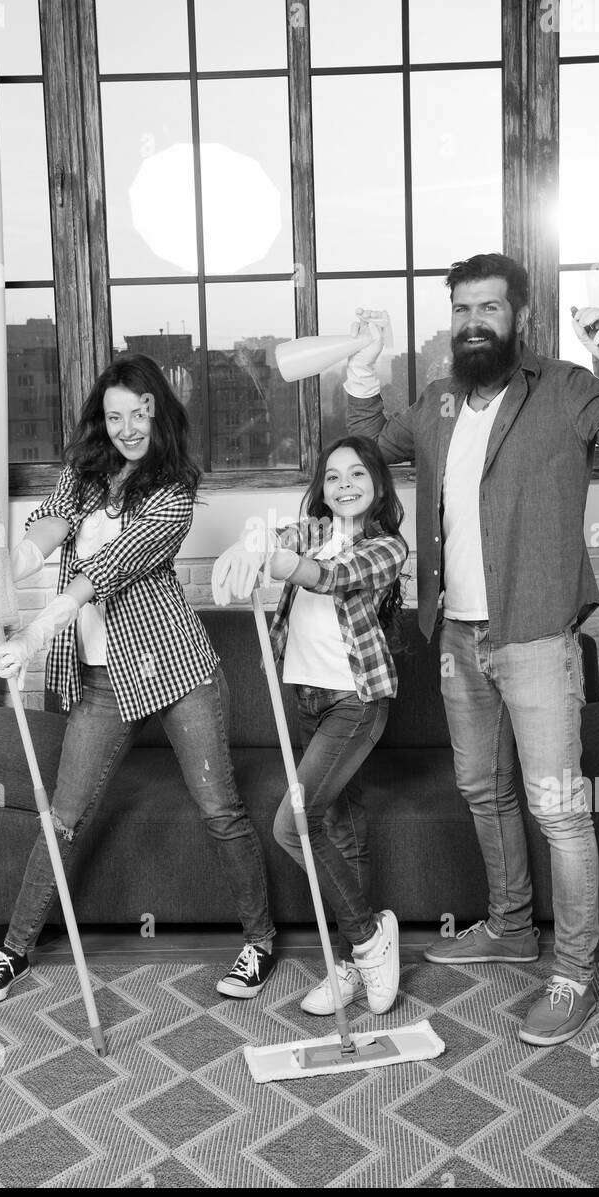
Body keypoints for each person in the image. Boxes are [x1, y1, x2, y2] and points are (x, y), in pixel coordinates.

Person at [344, 256, 599, 1046]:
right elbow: (360, 457)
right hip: (455, 635)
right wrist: (362, 378)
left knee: (559, 812)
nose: (472, 322)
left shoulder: (565, 390)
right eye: (461, 308)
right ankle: (506, 925)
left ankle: (571, 973)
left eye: (488, 308)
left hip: (534, 636)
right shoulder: (434, 403)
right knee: (479, 789)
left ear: (516, 318)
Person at [0, 354, 277, 1006]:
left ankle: (259, 942)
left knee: (220, 810)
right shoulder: (84, 475)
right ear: (100, 420)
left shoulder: (174, 487)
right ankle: (14, 949)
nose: (129, 427)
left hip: (176, 670)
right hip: (101, 684)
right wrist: (17, 558)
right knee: (64, 818)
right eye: (115, 415)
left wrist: (43, 625)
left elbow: (115, 562)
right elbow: (50, 521)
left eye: (140, 412)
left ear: (159, 412)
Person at [211, 436, 409, 1017]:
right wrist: (248, 549)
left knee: (293, 823)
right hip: (306, 699)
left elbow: (326, 576)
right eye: (331, 476)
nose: (343, 484)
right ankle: (350, 961)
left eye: (356, 474)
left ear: (377, 483)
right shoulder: (312, 529)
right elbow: (278, 541)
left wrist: (275, 564)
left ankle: (371, 940)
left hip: (357, 703)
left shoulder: (387, 548)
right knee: (340, 833)